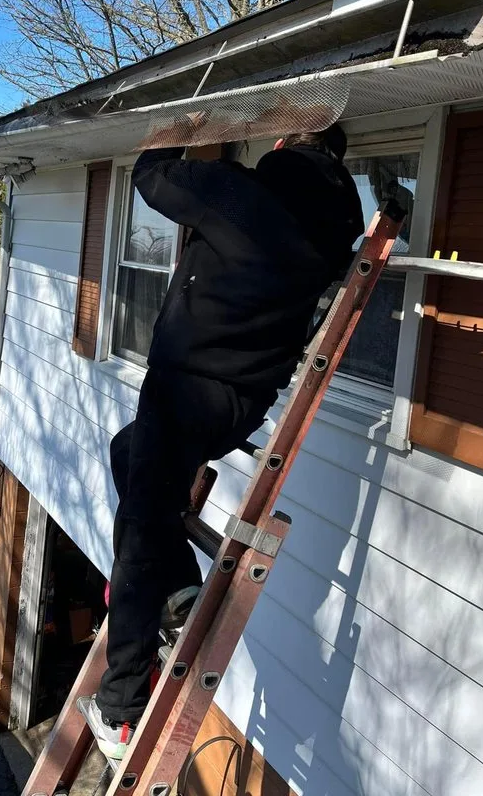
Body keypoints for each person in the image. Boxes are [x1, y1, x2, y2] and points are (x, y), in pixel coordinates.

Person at [82, 122, 365, 760]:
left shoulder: (243, 196)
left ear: (287, 142)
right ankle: (182, 590)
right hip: (238, 407)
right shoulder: (336, 224)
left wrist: (173, 132)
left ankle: (121, 709)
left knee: (139, 535)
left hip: (182, 393)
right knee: (127, 453)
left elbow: (153, 176)